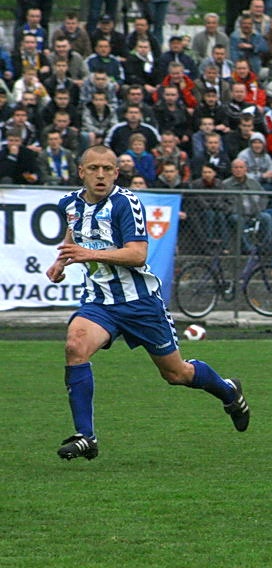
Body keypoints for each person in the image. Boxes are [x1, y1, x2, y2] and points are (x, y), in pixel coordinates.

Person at [45, 145, 250, 461]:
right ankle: (86, 435)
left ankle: (228, 392)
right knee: (75, 346)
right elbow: (76, 232)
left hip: (141, 304)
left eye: (108, 169)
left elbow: (137, 254)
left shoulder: (126, 204)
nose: (101, 175)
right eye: (94, 168)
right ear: (81, 171)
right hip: (100, 301)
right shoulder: (70, 203)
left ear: (116, 172)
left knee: (176, 374)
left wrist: (90, 255)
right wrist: (62, 260)